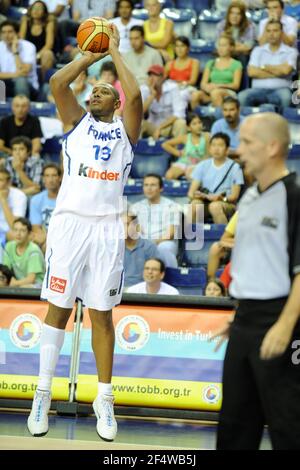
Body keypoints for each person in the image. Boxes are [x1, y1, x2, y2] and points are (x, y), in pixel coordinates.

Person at [26, 24, 143, 442]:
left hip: (108, 228)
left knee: (101, 316)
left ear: (116, 101)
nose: (94, 93)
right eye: (91, 90)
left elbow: (138, 97)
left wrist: (115, 52)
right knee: (57, 308)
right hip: (70, 224)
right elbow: (59, 82)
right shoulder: (76, 122)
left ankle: (104, 398)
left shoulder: (126, 132)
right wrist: (91, 56)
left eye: (103, 91)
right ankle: (42, 392)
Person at [213, 112, 300, 450]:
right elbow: (256, 261)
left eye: (247, 142)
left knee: (287, 422)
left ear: (273, 146)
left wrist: (285, 325)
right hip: (246, 320)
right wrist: (240, 312)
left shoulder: (294, 196)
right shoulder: (248, 196)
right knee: (234, 423)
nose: (239, 150)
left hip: (282, 321)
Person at [238, 20, 298, 114]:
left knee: (287, 98)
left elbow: (286, 71)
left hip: (281, 90)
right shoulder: (257, 50)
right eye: (268, 31)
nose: (271, 34)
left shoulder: (291, 52)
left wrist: (263, 67)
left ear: (282, 33)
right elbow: (252, 72)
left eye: (275, 30)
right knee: (242, 96)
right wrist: (278, 71)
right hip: (257, 90)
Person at [188, 133, 244, 224]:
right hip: (206, 201)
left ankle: (223, 236)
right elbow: (191, 192)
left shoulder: (235, 167)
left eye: (220, 145)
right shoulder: (202, 165)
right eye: (213, 145)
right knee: (194, 204)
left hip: (226, 204)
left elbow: (234, 196)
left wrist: (221, 198)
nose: (216, 148)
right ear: (209, 148)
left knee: (215, 206)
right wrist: (197, 195)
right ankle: (193, 237)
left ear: (227, 149)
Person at [131, 174, 181, 268]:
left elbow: (170, 234)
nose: (149, 188)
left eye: (153, 185)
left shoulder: (172, 206)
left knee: (164, 248)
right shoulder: (135, 207)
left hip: (164, 242)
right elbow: (136, 231)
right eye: (146, 185)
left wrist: (151, 243)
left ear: (161, 188)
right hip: (143, 242)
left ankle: (172, 277)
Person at [191, 34, 243, 109]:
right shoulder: (210, 63)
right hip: (210, 92)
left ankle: (220, 118)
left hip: (227, 93)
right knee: (195, 95)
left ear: (231, 48)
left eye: (224, 45)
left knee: (216, 93)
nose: (221, 48)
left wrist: (219, 85)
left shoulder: (236, 64)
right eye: (219, 45)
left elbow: (236, 85)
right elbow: (203, 83)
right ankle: (196, 119)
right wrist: (207, 87)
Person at [140, 64, 187, 140]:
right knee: (138, 124)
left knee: (181, 123)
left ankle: (177, 150)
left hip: (169, 125)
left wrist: (160, 128)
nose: (152, 78)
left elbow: (179, 114)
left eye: (155, 75)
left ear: (163, 77)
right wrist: (152, 96)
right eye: (150, 75)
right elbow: (138, 114)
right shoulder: (144, 89)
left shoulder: (172, 87)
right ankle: (136, 150)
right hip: (152, 125)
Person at [162, 113, 210, 181]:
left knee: (190, 176)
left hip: (198, 164)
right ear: (188, 128)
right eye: (194, 124)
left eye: (199, 122)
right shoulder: (185, 138)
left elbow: (208, 155)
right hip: (183, 162)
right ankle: (177, 189)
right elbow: (165, 144)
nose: (198, 126)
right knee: (169, 175)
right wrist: (178, 153)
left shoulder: (206, 136)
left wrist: (202, 164)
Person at [0, 20, 39, 99]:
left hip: (28, 85)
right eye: (3, 32)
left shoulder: (29, 46)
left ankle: (22, 108)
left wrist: (15, 52)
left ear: (17, 33)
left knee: (20, 80)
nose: (6, 35)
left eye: (10, 32)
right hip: (6, 83)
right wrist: (16, 74)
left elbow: (24, 72)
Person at [19, 0, 56, 81]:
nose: (36, 10)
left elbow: (49, 44)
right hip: (28, 54)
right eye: (34, 8)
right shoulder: (26, 21)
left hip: (42, 54)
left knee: (47, 54)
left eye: (39, 8)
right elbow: (21, 41)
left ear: (44, 12)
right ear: (30, 10)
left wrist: (37, 56)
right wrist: (31, 56)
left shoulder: (49, 23)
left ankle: (45, 84)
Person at [3, 217, 45, 287]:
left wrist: (15, 283)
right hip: (18, 283)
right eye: (15, 230)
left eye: (22, 230)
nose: (18, 234)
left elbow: (31, 279)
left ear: (29, 234)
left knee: (24, 287)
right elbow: (5, 270)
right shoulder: (9, 246)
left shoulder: (33, 250)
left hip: (37, 284)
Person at [29, 163, 62, 251]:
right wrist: (47, 238)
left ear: (60, 178)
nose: (50, 180)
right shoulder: (36, 200)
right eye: (47, 176)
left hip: (64, 236)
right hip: (45, 237)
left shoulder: (67, 198)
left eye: (54, 175)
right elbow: (36, 226)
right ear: (43, 179)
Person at [123, 212, 159, 287]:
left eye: (126, 224)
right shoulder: (114, 248)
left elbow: (155, 275)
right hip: (119, 291)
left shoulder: (150, 247)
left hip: (142, 291)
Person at [216, 1, 256, 65]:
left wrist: (227, 46)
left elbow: (248, 47)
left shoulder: (250, 26)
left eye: (238, 14)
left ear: (243, 16)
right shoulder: (221, 25)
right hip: (225, 54)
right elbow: (218, 45)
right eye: (232, 13)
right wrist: (238, 45)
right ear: (228, 14)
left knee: (242, 57)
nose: (234, 16)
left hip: (242, 56)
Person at [164, 36, 200, 104]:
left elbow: (193, 81)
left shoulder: (194, 62)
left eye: (182, 46)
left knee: (181, 94)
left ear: (188, 48)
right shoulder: (169, 64)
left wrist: (181, 84)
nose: (179, 49)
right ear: (174, 48)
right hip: (172, 88)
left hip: (188, 89)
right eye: (177, 46)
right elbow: (162, 79)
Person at [0, 168, 27, 243]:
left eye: (0, 180)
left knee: (15, 235)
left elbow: (15, 225)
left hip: (9, 233)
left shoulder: (19, 196)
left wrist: (3, 200)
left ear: (8, 182)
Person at [207, 211, 237, 280]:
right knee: (215, 248)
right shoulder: (241, 213)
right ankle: (212, 283)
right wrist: (240, 242)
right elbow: (224, 238)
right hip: (240, 247)